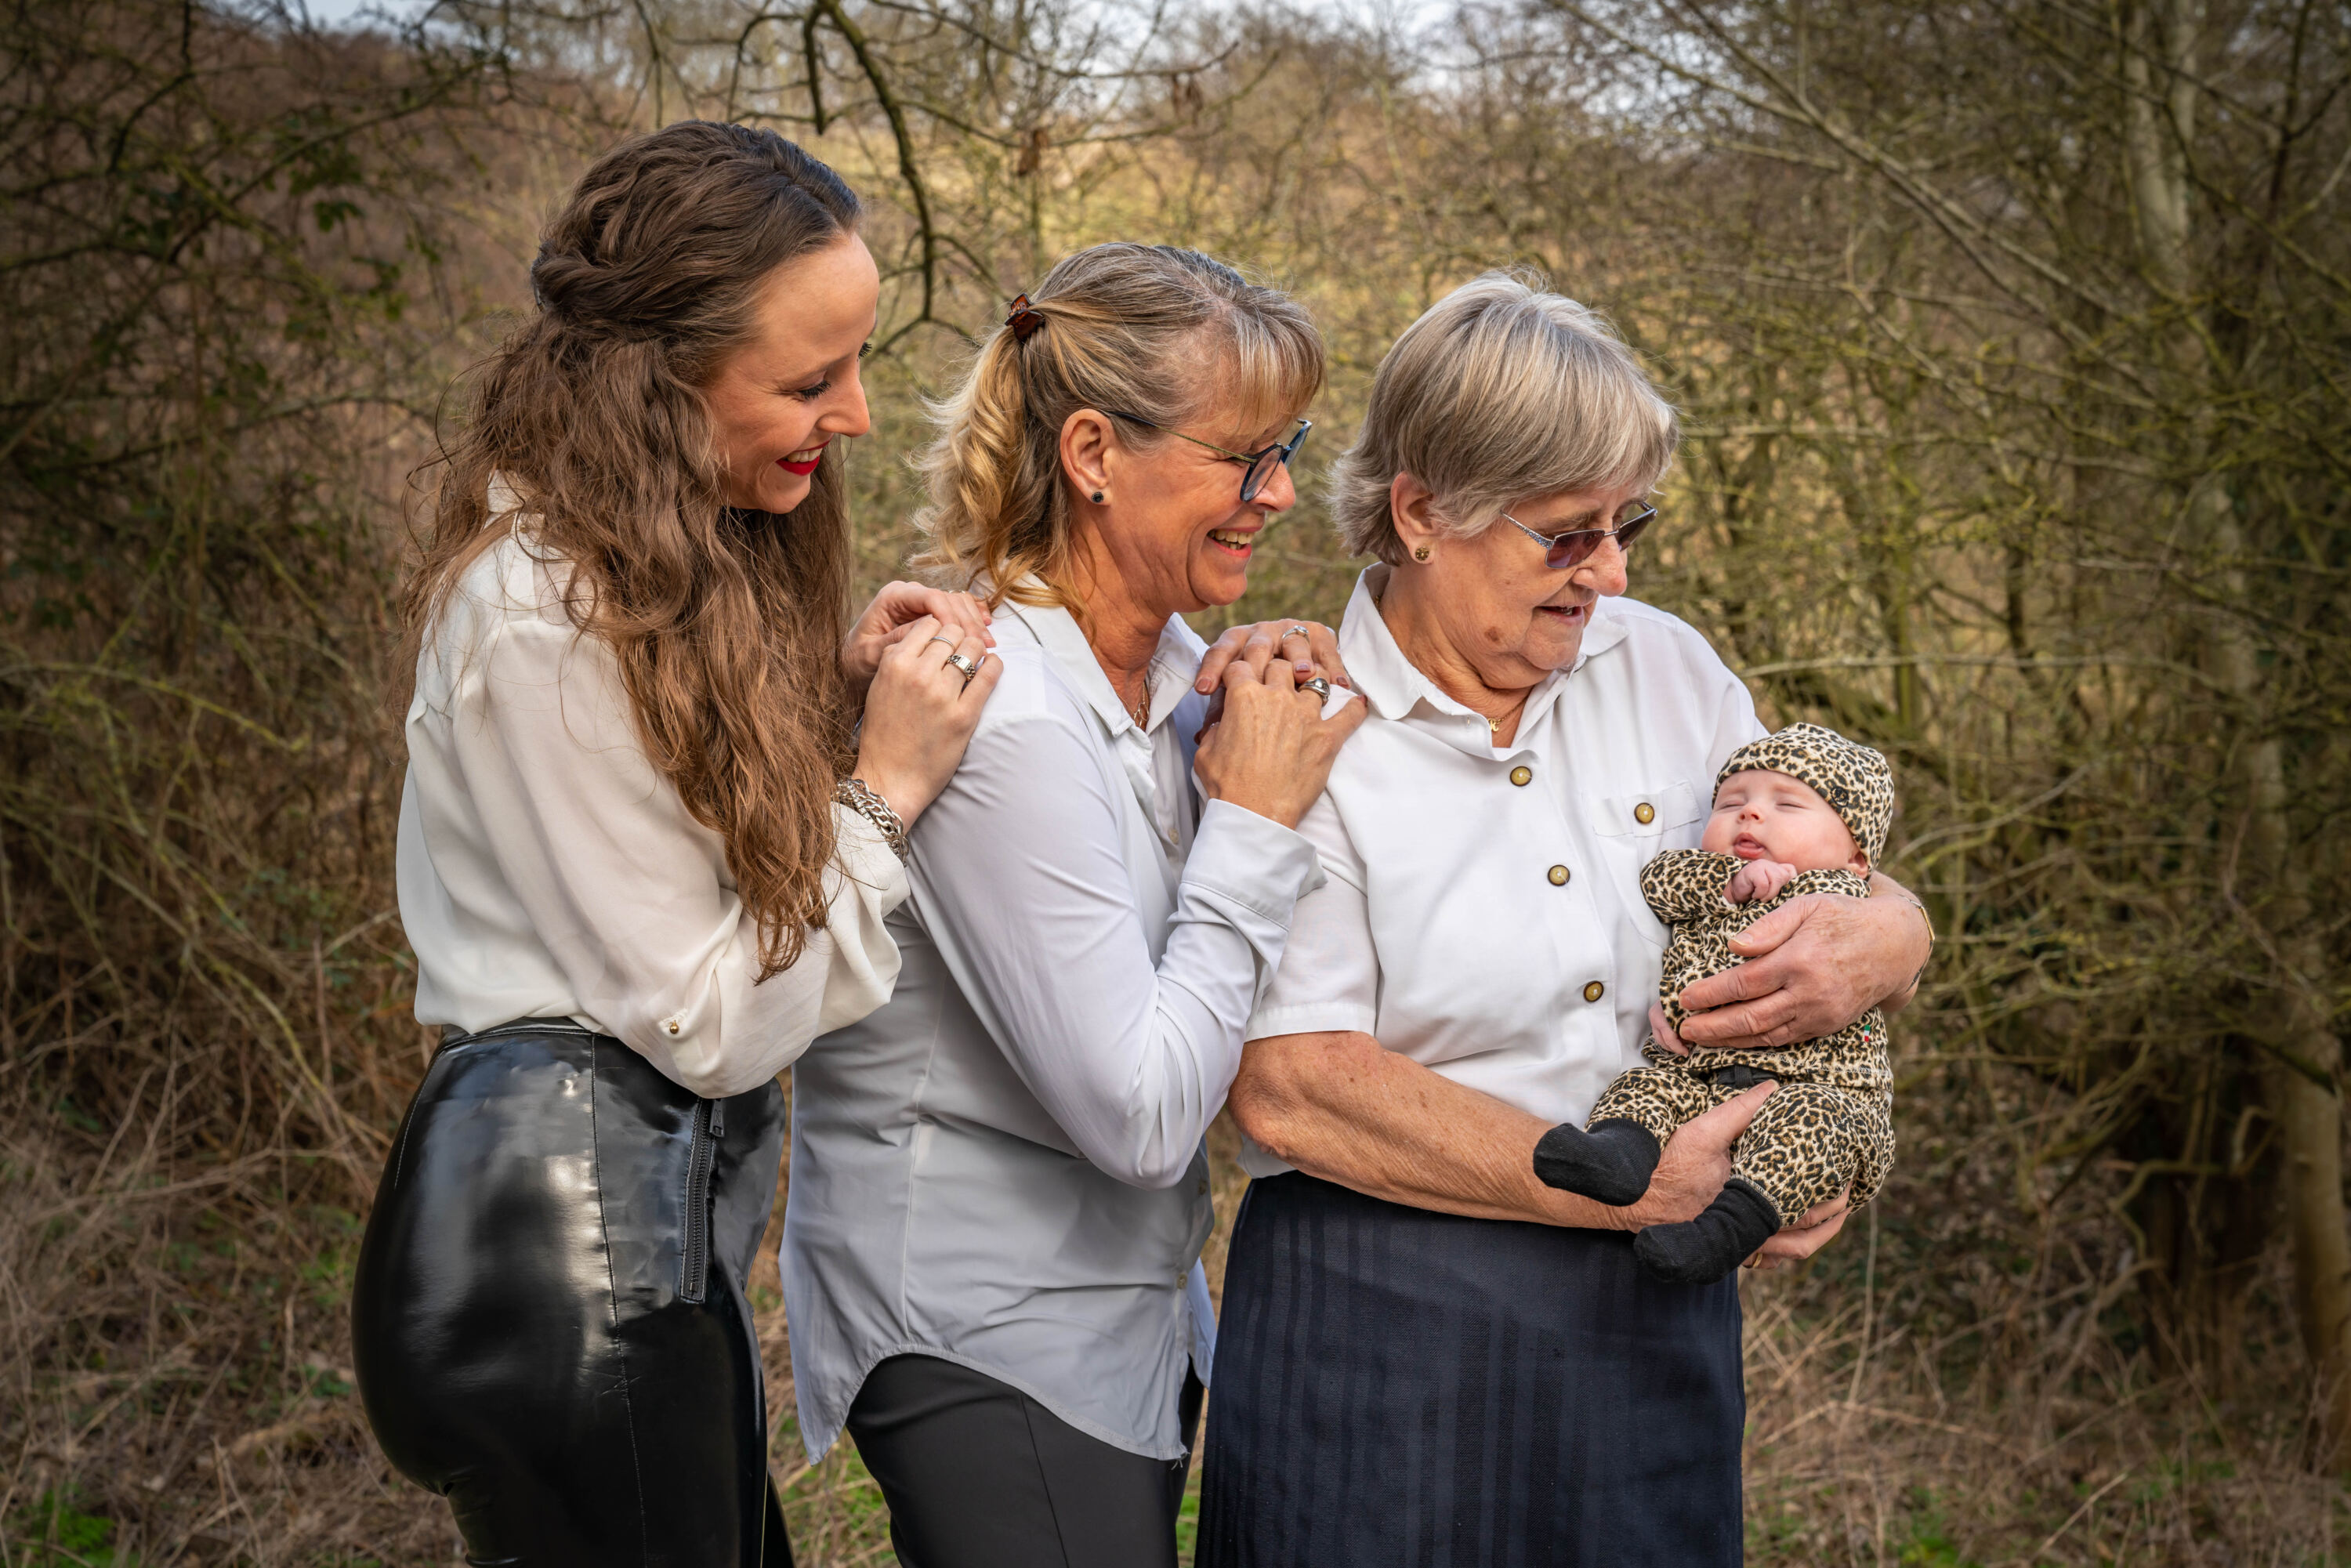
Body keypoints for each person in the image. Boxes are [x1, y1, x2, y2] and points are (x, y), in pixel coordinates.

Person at [1197, 273, 1936, 1567]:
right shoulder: (1294, 719)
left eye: (1626, 522)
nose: (1613, 569)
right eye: (1566, 534)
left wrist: (1899, 933)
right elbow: (1294, 1088)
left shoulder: (1669, 664)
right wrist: (1654, 1191)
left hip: (1659, 1318)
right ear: (1423, 512)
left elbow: (1822, 870)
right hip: (1383, 1321)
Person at [351, 121, 1002, 1568]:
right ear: (655, 378)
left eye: (857, 363)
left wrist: (833, 710)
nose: (858, 416)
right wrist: (885, 791)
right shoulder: (538, 608)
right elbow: (709, 1017)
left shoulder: (637, 573)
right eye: (808, 378)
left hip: (626, 1229)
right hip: (566, 1244)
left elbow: (667, 879)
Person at [780, 243, 1366, 1568]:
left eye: (1292, 449)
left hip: (1133, 1323)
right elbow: (1144, 1113)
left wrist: (1256, 745)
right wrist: (1258, 822)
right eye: (1242, 458)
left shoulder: (1167, 676)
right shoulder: (1005, 714)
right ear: (1094, 451)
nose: (1277, 496)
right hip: (989, 1332)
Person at [1536, 722, 1903, 1284]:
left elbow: (1886, 938)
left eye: (1787, 804)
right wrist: (1729, 882)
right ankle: (1615, 1155)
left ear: (1857, 856)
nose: (1751, 814)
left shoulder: (1845, 902)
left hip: (1815, 1092)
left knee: (1809, 1129)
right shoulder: (1714, 880)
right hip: (1700, 1077)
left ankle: (1726, 1230)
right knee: (1643, 1086)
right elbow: (1662, 879)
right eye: (1732, 801)